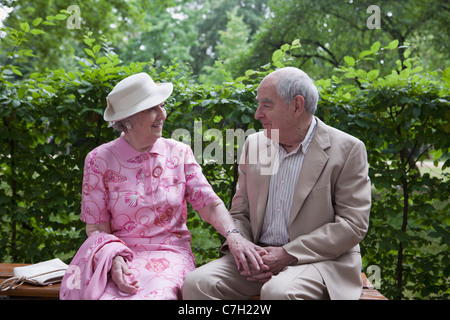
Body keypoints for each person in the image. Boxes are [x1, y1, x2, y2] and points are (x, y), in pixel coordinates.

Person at [60, 73, 262, 300]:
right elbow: (97, 228)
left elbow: (210, 205)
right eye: (151, 109)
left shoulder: (179, 153)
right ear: (128, 119)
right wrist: (114, 258)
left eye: (162, 106)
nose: (163, 115)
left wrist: (234, 236)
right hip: (120, 256)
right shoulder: (99, 159)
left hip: (171, 254)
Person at [182, 67, 371, 300]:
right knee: (197, 284)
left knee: (279, 293)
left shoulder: (348, 149)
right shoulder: (254, 144)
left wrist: (287, 253)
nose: (257, 114)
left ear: (297, 105)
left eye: (266, 105)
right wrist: (243, 246)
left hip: (320, 261)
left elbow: (353, 225)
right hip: (260, 256)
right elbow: (240, 212)